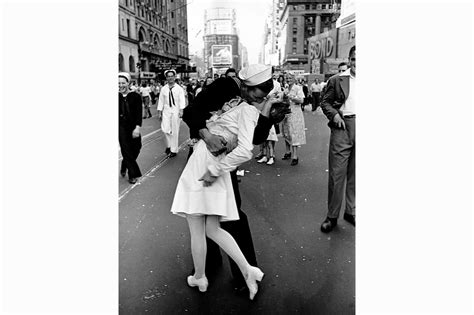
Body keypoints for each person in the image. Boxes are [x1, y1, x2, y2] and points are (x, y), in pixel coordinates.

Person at [172, 64, 278, 300]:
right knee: (202, 214)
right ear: (245, 85)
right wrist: (207, 136)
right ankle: (207, 267)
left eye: (261, 96)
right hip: (204, 153)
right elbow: (191, 112)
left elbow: (256, 139)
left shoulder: (257, 104)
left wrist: (267, 115)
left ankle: (243, 272)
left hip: (224, 162)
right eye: (253, 93)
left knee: (230, 215)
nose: (254, 98)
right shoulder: (224, 86)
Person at [320, 46, 356, 233]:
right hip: (343, 125)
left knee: (356, 173)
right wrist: (334, 114)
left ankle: (351, 211)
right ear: (349, 60)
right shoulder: (337, 80)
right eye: (355, 59)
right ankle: (332, 216)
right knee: (337, 173)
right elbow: (324, 102)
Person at [118, 72, 143, 184]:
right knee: (126, 149)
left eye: (123, 83)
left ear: (128, 83)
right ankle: (132, 175)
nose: (120, 85)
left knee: (137, 147)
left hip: (133, 126)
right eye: (118, 83)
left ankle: (125, 164)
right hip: (120, 127)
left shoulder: (135, 96)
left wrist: (137, 128)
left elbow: (138, 113)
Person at [157, 69, 186, 157]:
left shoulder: (179, 89)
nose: (170, 78)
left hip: (176, 111)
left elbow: (182, 100)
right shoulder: (163, 89)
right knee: (165, 129)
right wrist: (159, 112)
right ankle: (169, 145)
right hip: (166, 111)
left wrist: (181, 110)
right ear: (166, 78)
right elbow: (161, 101)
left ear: (174, 77)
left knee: (174, 131)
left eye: (171, 76)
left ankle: (173, 150)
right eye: (168, 76)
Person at [281, 73, 306, 166]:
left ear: (294, 79)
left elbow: (301, 100)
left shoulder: (298, 88)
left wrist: (291, 97)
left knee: (294, 133)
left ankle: (295, 156)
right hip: (286, 112)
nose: (288, 79)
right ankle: (288, 152)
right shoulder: (286, 88)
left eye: (290, 78)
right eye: (286, 78)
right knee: (286, 132)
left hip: (295, 113)